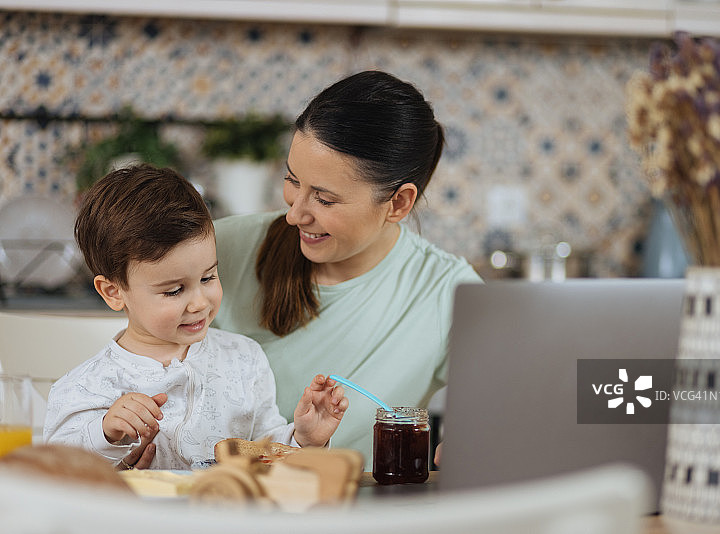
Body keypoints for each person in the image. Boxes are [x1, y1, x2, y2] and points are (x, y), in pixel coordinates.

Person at [213, 70, 482, 465]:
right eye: (292, 181)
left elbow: (521, 396)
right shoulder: (216, 251)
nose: (294, 214)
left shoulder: (447, 291)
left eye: (323, 199)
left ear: (398, 204)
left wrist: (476, 436)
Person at [44, 164, 348, 470]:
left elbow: (265, 449)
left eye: (208, 277)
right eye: (174, 290)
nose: (200, 303)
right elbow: (55, 467)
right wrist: (105, 432)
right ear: (113, 292)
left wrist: (305, 440)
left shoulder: (244, 359)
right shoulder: (89, 383)